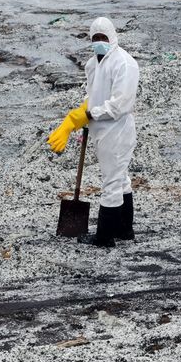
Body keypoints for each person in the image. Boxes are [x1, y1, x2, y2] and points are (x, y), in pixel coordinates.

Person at [47, 16, 139, 247]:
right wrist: (79, 116)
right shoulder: (92, 64)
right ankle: (124, 230)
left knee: (111, 183)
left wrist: (89, 115)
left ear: (112, 37)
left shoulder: (124, 64)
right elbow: (92, 95)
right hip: (100, 129)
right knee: (120, 179)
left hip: (116, 131)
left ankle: (105, 237)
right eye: (95, 38)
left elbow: (120, 105)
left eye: (103, 38)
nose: (99, 42)